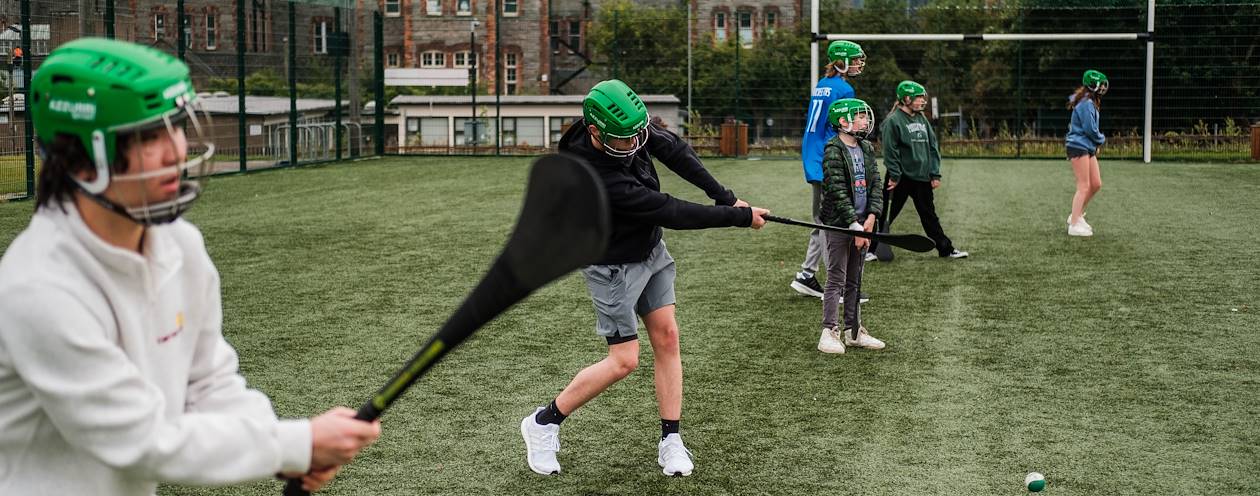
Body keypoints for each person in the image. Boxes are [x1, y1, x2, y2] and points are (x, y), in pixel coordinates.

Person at [0, 38, 379, 495]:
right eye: (147, 137)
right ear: (79, 159)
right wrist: (294, 445)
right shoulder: (39, 289)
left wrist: (288, 454)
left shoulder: (180, 244)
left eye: (175, 127)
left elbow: (208, 381)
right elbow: (142, 439)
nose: (175, 152)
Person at [521, 79, 769, 477]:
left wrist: (724, 195)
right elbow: (668, 210)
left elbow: (675, 151)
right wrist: (738, 216)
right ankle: (543, 422)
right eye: (623, 141)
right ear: (595, 132)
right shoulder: (594, 175)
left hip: (649, 249)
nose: (635, 145)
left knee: (668, 336)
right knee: (624, 361)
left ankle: (671, 439)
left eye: (639, 135)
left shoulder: (628, 128)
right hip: (612, 264)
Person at [791, 40, 871, 302]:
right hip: (828, 156)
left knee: (822, 221)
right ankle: (837, 286)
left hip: (813, 154)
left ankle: (806, 274)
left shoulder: (822, 85)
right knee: (830, 225)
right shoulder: (843, 88)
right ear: (842, 61)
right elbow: (844, 126)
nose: (859, 63)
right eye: (855, 59)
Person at [816, 98, 887, 354]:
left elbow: (876, 184)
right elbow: (835, 189)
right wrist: (853, 225)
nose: (866, 121)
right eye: (860, 117)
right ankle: (829, 331)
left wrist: (870, 219)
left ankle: (853, 331)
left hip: (862, 223)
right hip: (840, 224)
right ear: (844, 121)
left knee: (856, 279)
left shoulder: (866, 147)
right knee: (837, 277)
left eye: (865, 117)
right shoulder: (833, 149)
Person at [880, 80, 969, 259]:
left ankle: (946, 248)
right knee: (884, 214)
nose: (922, 101)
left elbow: (932, 147)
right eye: (919, 97)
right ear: (906, 99)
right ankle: (870, 248)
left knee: (929, 215)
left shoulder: (922, 119)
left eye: (923, 97)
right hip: (900, 177)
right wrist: (895, 175)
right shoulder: (893, 121)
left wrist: (934, 173)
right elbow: (890, 150)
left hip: (922, 177)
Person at [1065, 69, 1108, 237]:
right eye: (1101, 84)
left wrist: (1095, 143)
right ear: (1092, 85)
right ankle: (1074, 225)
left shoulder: (1090, 101)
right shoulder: (1085, 103)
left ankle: (1075, 215)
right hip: (1078, 146)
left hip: (1087, 146)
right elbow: (1090, 129)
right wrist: (1101, 139)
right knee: (1083, 186)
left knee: (1096, 183)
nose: (1104, 87)